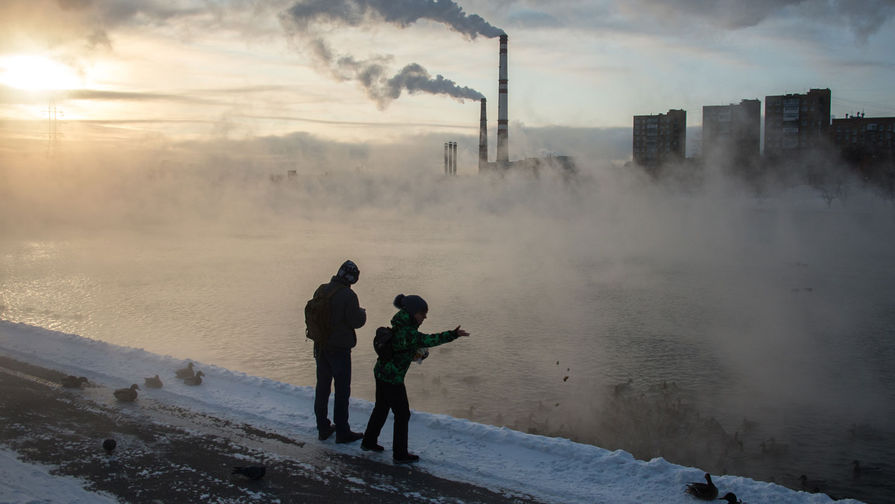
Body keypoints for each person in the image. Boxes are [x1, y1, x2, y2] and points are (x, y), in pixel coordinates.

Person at [362, 293, 469, 463]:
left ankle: (368, 442)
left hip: (381, 372)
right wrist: (453, 334)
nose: (425, 317)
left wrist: (415, 354)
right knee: (402, 414)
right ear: (413, 313)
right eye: (422, 313)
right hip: (393, 378)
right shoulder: (408, 332)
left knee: (381, 408)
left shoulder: (400, 325)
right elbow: (429, 340)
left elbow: (403, 349)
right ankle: (400, 454)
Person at [314, 260, 367, 443]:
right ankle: (343, 432)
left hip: (320, 347)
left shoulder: (321, 289)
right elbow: (356, 322)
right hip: (339, 350)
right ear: (352, 278)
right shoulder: (348, 295)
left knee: (322, 388)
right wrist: (363, 313)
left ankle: (322, 428)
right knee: (342, 391)